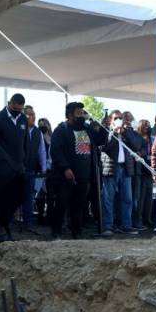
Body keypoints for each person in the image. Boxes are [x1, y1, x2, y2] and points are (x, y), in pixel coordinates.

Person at [49, 102, 106, 238]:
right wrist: (65, 168)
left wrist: (104, 127)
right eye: (78, 113)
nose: (82, 116)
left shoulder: (87, 129)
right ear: (70, 115)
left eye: (82, 113)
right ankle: (56, 231)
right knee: (62, 203)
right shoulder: (61, 130)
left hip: (84, 175)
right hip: (65, 176)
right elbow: (56, 151)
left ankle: (76, 232)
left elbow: (100, 141)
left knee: (79, 205)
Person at [0, 93, 28, 226]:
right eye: (15, 109)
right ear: (10, 103)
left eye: (20, 110)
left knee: (20, 196)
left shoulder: (23, 119)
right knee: (2, 199)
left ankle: (5, 224)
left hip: (18, 167)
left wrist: (23, 159)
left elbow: (24, 141)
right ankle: (1, 228)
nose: (17, 112)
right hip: (2, 167)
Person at [99, 109, 143, 235]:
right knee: (108, 199)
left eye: (120, 118)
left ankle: (126, 225)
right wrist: (113, 133)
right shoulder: (106, 131)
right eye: (116, 118)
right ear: (111, 120)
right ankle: (108, 226)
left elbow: (136, 146)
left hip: (126, 168)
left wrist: (124, 133)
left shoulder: (128, 132)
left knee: (127, 199)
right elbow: (104, 147)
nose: (118, 120)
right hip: (111, 169)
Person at [22, 105, 48, 232]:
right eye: (30, 114)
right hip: (16, 169)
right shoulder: (18, 129)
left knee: (28, 197)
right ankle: (8, 222)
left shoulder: (38, 132)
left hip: (31, 169)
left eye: (33, 114)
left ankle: (27, 224)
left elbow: (41, 151)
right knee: (12, 196)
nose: (33, 117)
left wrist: (43, 167)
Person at [132, 119, 154, 229]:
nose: (147, 128)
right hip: (140, 170)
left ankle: (147, 218)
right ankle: (138, 219)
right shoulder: (136, 137)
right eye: (145, 126)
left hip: (150, 170)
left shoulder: (151, 139)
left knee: (149, 197)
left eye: (149, 126)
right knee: (140, 197)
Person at [35, 117, 54, 225]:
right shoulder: (38, 137)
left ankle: (50, 216)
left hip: (51, 168)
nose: (42, 126)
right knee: (40, 193)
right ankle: (40, 216)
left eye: (44, 124)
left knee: (51, 194)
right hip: (41, 168)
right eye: (40, 124)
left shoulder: (53, 137)